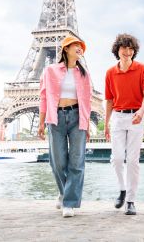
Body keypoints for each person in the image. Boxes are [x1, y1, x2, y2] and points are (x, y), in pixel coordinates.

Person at [38, 35, 92, 218]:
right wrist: (41, 121)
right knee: (58, 162)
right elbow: (44, 97)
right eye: (75, 45)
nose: (79, 48)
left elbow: (87, 101)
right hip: (56, 117)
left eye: (81, 46)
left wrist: (87, 124)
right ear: (66, 49)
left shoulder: (84, 74)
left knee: (76, 162)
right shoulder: (50, 71)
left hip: (77, 117)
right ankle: (64, 192)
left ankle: (68, 202)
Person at [104, 33, 144, 215]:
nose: (127, 51)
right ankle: (122, 189)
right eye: (124, 48)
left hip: (136, 117)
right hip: (117, 116)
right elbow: (109, 101)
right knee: (116, 159)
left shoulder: (143, 69)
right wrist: (107, 123)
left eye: (131, 48)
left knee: (132, 161)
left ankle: (131, 200)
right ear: (117, 50)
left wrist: (141, 111)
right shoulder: (110, 73)